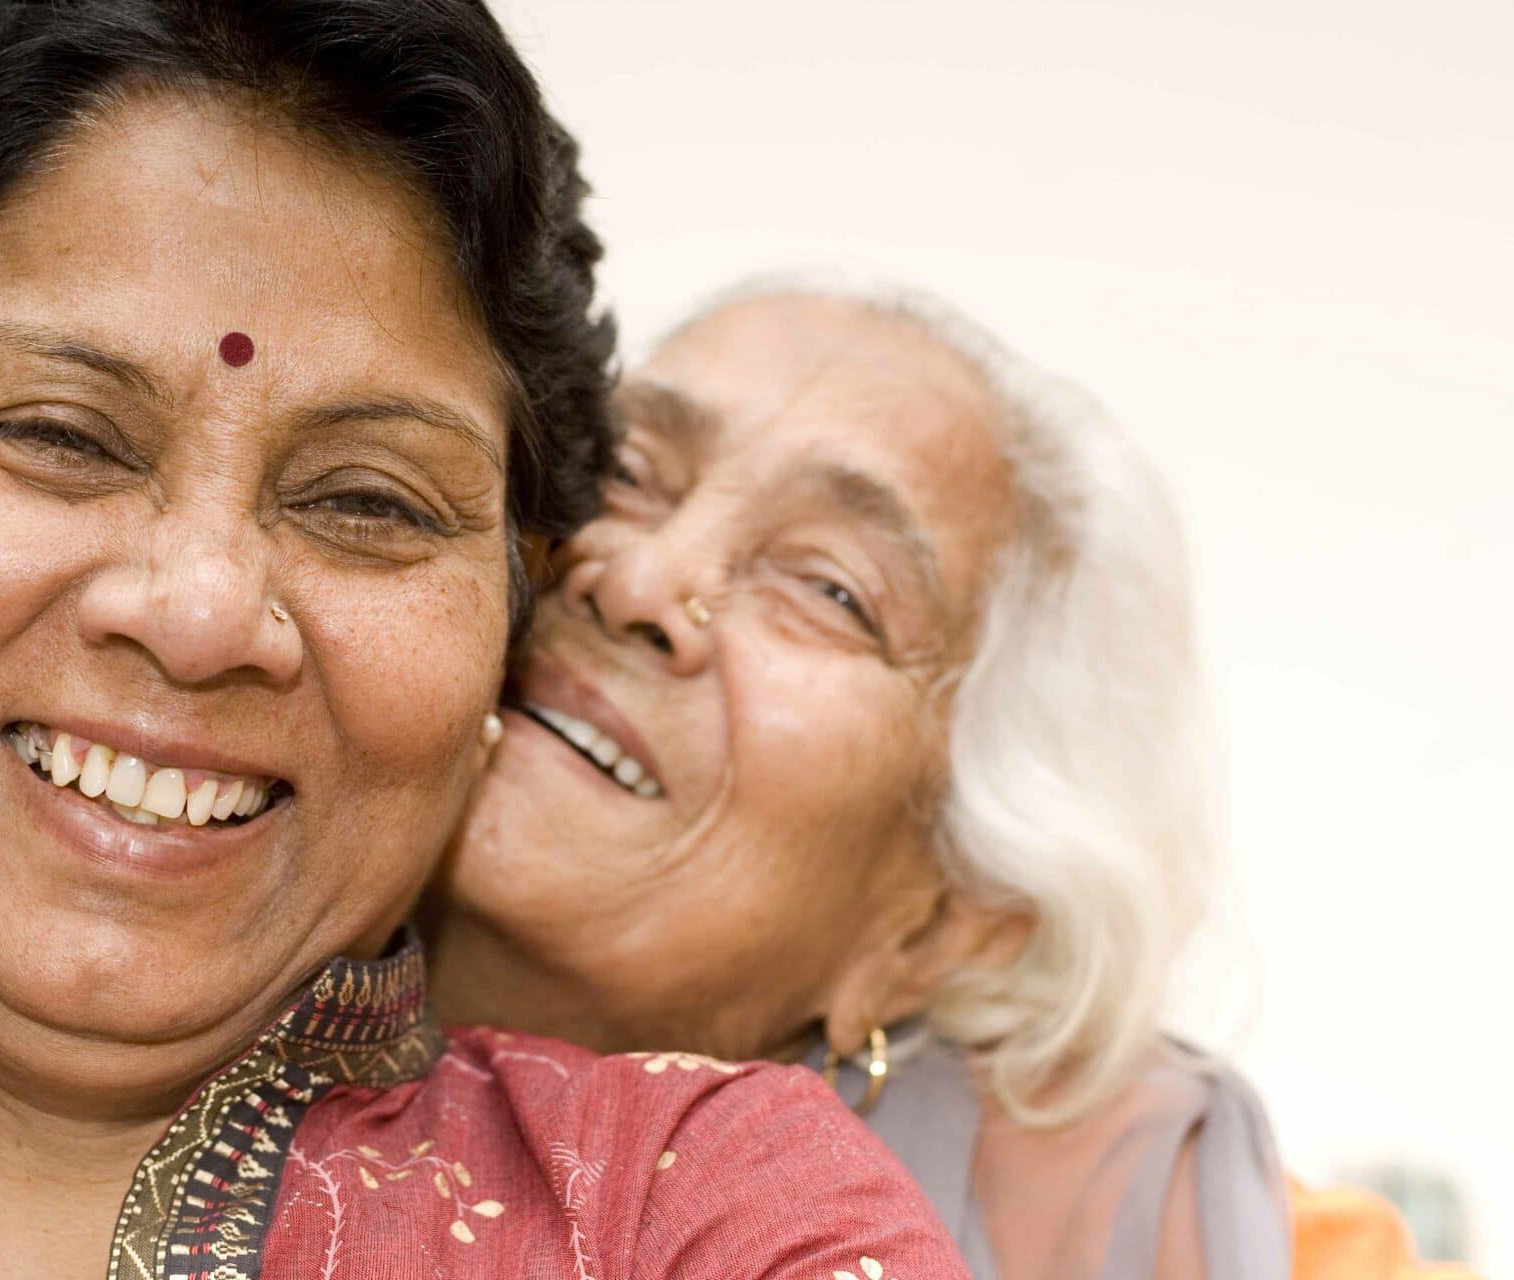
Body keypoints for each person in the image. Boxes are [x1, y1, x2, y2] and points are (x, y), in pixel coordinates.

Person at [0, 7, 967, 1277]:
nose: (198, 617)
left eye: (367, 502)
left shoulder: (700, 1211)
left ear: (503, 635)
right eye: (60, 435)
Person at [427, 282, 1291, 1279]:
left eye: (831, 587)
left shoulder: (1116, 1204)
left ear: (933, 927)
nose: (637, 581)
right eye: (626, 470)